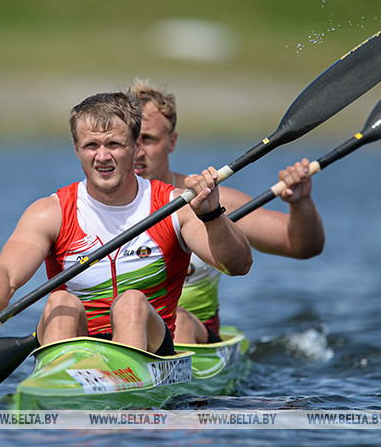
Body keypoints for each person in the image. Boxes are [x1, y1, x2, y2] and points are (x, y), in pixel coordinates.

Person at [0, 91, 252, 356]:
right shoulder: (52, 212)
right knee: (60, 304)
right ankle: (62, 388)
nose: (102, 156)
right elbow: (5, 272)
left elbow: (238, 265)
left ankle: (124, 388)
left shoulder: (174, 207)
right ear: (76, 149)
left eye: (114, 144)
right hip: (76, 343)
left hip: (153, 350)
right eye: (91, 145)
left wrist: (213, 215)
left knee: (131, 302)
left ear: (136, 147)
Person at [129, 79, 325, 344]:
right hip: (129, 338)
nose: (137, 152)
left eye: (149, 139)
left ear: (172, 141)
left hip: (194, 338)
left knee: (182, 320)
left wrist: (300, 204)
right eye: (131, 140)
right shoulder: (97, 207)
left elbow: (303, 246)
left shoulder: (213, 201)